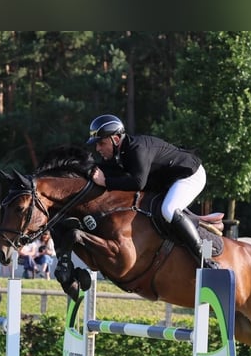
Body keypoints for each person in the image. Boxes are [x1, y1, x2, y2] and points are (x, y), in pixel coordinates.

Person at [86, 113, 218, 269]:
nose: (98, 148)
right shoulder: (121, 152)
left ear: (115, 139)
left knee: (168, 210)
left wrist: (105, 182)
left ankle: (205, 258)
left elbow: (138, 183)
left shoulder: (137, 149)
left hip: (190, 175)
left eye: (101, 143)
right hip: (170, 181)